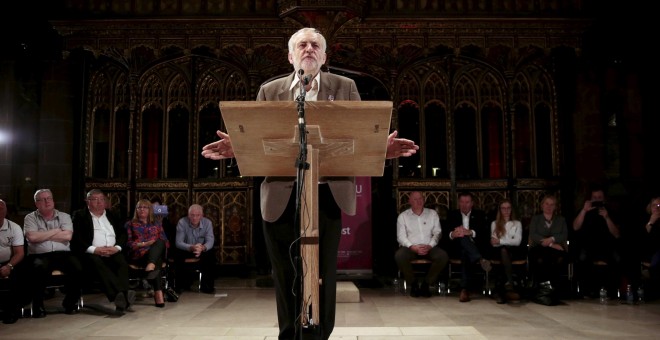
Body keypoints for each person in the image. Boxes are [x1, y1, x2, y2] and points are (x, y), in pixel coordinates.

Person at [201, 27, 418, 340]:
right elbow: (258, 138)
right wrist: (239, 147)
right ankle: (289, 334)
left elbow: (358, 136)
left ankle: (320, 335)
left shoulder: (345, 87)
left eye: (315, 44)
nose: (308, 48)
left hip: (328, 192)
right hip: (281, 193)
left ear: (324, 56)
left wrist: (379, 149)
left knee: (324, 271)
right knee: (284, 271)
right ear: (291, 56)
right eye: (301, 44)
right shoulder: (270, 90)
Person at [70, 189, 135, 313]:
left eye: (102, 199)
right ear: (87, 201)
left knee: (121, 262)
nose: (99, 202)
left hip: (113, 251)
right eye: (95, 199)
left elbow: (123, 234)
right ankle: (120, 296)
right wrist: (95, 250)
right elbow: (76, 237)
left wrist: (117, 248)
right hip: (91, 253)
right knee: (97, 262)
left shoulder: (112, 215)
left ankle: (121, 299)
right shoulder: (79, 215)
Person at [23, 189, 84, 317]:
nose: (47, 202)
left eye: (49, 198)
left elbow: (67, 236)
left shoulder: (64, 216)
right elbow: (32, 238)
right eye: (43, 199)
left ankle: (70, 303)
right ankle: (38, 305)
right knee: (38, 267)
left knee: (78, 267)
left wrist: (43, 235)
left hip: (62, 254)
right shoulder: (30, 218)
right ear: (36, 203)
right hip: (39, 255)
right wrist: (56, 231)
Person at [395, 191, 449, 298]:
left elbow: (437, 232)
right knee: (399, 256)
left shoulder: (432, 214)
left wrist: (430, 245)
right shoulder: (403, 216)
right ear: (409, 201)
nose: (418, 201)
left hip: (429, 246)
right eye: (415, 199)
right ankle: (413, 284)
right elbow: (400, 237)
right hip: (411, 247)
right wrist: (412, 246)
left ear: (424, 200)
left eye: (420, 199)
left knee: (443, 256)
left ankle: (427, 284)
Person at [572, 185, 621, 298]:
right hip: (588, 245)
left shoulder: (610, 211)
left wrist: (607, 218)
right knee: (581, 258)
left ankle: (612, 291)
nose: (597, 200)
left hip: (606, 245)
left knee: (618, 258)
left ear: (604, 199)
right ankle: (586, 291)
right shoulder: (584, 211)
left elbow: (617, 234)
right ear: (590, 198)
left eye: (599, 197)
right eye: (594, 197)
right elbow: (575, 227)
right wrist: (584, 211)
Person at [445, 192, 491, 303]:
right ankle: (480, 259)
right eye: (462, 202)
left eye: (467, 202)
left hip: (474, 246)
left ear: (472, 203)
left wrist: (470, 232)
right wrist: (453, 234)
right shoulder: (452, 214)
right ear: (458, 203)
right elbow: (445, 233)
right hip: (456, 247)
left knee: (465, 251)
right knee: (461, 236)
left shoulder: (480, 214)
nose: (464, 205)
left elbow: (485, 233)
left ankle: (464, 290)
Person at [125, 199, 169, 307]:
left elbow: (166, 243)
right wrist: (144, 244)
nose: (142, 210)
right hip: (139, 255)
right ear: (136, 210)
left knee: (159, 242)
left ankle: (151, 264)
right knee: (156, 260)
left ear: (150, 210)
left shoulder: (157, 224)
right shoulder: (130, 224)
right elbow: (128, 244)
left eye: (145, 207)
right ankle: (158, 294)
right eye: (139, 207)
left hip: (155, 252)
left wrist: (154, 246)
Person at [528, 195, 568, 306]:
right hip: (538, 247)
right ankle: (543, 289)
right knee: (540, 260)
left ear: (555, 207)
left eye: (552, 204)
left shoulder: (561, 220)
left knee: (559, 259)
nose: (549, 206)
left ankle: (553, 289)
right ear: (542, 205)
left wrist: (552, 239)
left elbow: (563, 235)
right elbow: (533, 234)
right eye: (547, 204)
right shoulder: (536, 219)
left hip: (556, 248)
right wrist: (550, 244)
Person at [174, 204, 215, 294]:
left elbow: (210, 240)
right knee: (177, 253)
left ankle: (207, 286)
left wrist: (202, 248)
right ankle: (180, 286)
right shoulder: (182, 222)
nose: (194, 218)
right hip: (186, 249)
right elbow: (179, 242)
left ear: (202, 215)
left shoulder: (207, 223)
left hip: (201, 249)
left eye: (197, 215)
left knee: (211, 253)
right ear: (188, 215)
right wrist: (191, 247)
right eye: (192, 215)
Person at [488, 199, 523, 304]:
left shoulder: (517, 224)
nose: (506, 210)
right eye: (503, 208)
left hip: (514, 251)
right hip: (498, 251)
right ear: (500, 210)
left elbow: (517, 242)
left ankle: (502, 289)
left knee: (504, 250)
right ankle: (510, 283)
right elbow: (494, 243)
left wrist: (500, 240)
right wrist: (505, 241)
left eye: (508, 208)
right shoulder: (494, 224)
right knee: (503, 251)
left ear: (511, 209)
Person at [0, 199, 28, 324]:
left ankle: (11, 312)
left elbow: (19, 253)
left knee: (18, 278)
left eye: (1, 208)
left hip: (9, 262)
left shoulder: (14, 227)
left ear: (5, 211)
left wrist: (9, 266)